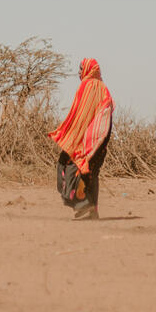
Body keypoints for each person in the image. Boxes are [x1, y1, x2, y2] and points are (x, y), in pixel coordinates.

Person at [49, 58, 114, 220]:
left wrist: (70, 137)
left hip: (85, 141)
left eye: (80, 69)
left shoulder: (87, 86)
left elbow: (80, 117)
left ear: (88, 70)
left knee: (66, 167)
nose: (78, 72)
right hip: (100, 141)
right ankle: (92, 211)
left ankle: (82, 205)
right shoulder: (104, 89)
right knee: (91, 175)